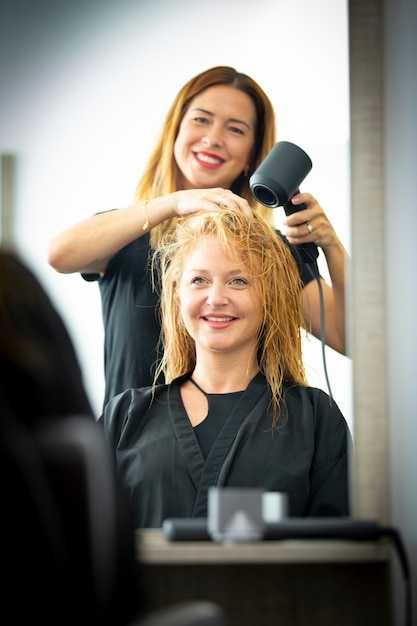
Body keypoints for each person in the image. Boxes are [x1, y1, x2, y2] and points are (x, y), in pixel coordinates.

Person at [48, 65, 348, 408]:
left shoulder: (273, 252)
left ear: (253, 155)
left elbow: (350, 338)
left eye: (235, 129)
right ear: (175, 130)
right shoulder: (126, 235)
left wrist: (334, 248)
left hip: (248, 449)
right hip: (130, 453)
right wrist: (174, 204)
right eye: (201, 120)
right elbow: (59, 254)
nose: (213, 138)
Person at [99, 209, 351, 529]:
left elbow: (337, 557)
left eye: (238, 280)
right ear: (178, 296)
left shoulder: (315, 419)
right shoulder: (124, 416)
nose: (216, 298)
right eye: (199, 280)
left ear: (268, 297)